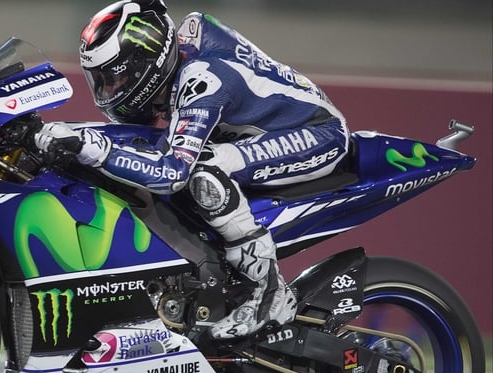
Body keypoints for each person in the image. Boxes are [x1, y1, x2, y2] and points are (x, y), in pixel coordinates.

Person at [33, 0, 349, 339]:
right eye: (101, 80)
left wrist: (93, 148)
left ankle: (270, 293)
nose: (109, 90)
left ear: (146, 65)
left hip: (315, 134)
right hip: (255, 134)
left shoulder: (203, 79)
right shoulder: (171, 68)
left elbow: (173, 173)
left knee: (204, 174)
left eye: (116, 77)